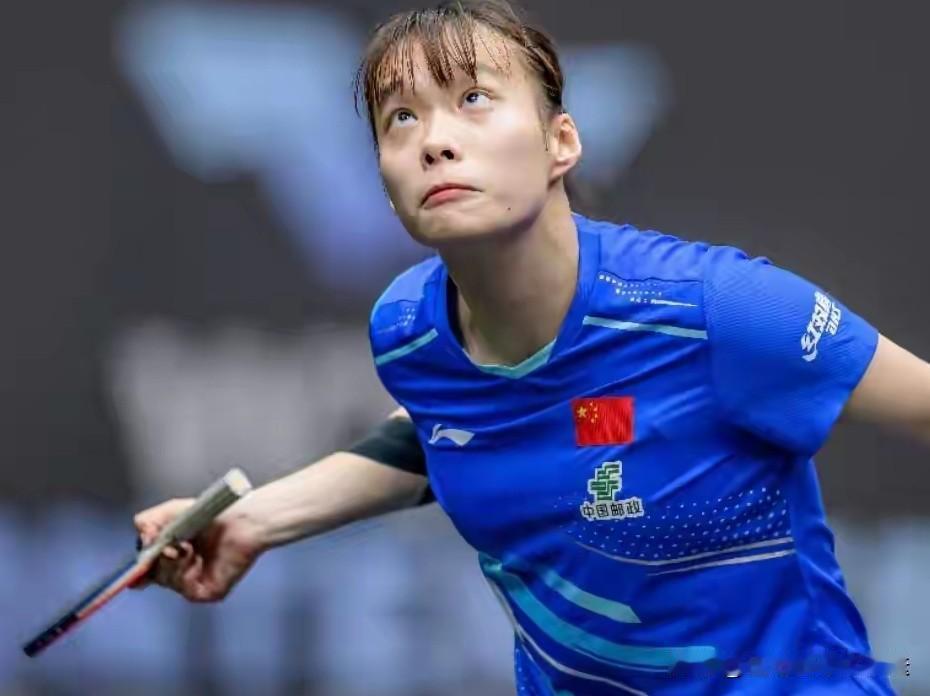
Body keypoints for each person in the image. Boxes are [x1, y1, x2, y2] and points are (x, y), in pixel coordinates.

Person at [134, 1, 930, 693]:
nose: (435, 141)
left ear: (561, 143)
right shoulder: (410, 331)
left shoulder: (717, 309)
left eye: (473, 99)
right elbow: (456, 424)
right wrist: (253, 521)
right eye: (400, 118)